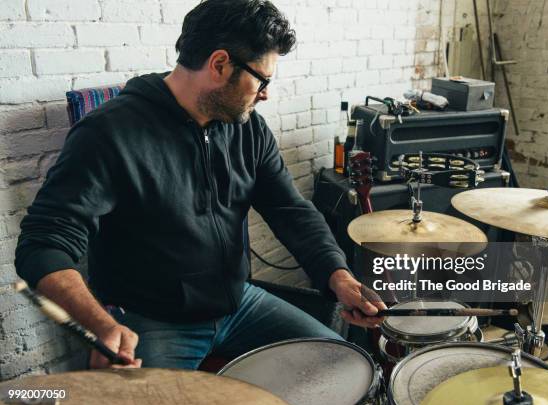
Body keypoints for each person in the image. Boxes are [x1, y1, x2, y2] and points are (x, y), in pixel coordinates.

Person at [15, 0, 385, 370]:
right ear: (220, 64)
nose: (266, 94)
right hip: (155, 322)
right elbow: (43, 243)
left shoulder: (248, 127)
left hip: (241, 304)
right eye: (263, 79)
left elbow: (289, 209)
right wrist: (101, 324)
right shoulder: (108, 134)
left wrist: (337, 276)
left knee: (346, 364)